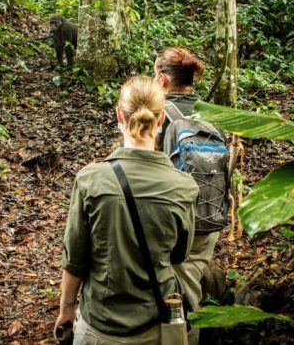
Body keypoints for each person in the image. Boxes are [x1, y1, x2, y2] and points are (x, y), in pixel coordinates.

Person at [54, 76, 198, 344]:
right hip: (156, 325)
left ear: (119, 114)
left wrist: (66, 310)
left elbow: (75, 258)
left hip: (99, 325)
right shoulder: (184, 187)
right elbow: (179, 254)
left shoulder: (90, 180)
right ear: (162, 119)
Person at [154, 47, 222, 317]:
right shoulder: (213, 114)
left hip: (171, 221)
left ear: (162, 78)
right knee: (190, 286)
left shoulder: (159, 115)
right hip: (208, 215)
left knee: (164, 291)